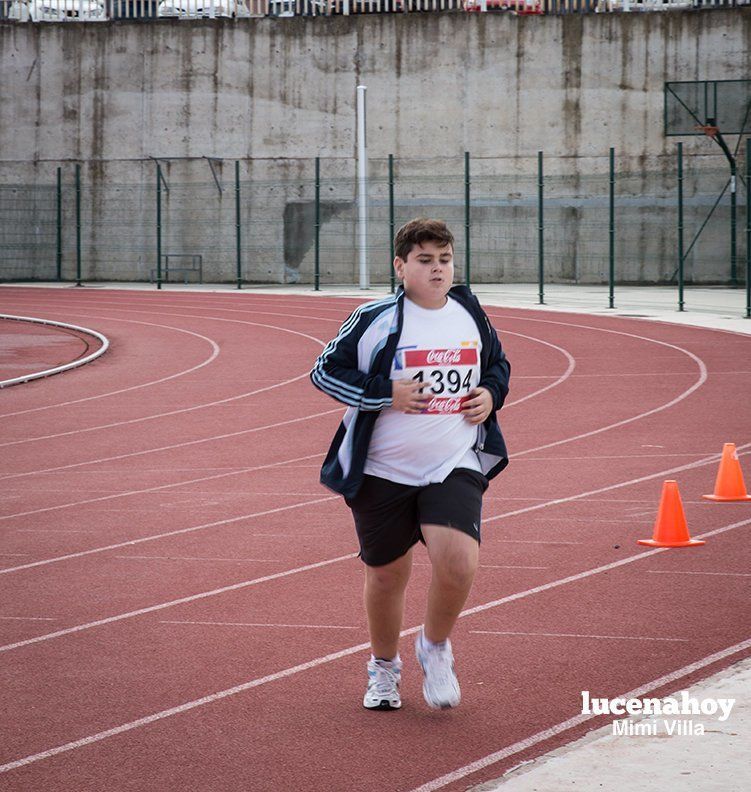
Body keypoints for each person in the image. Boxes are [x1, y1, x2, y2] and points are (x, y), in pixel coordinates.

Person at [310, 218, 510, 711]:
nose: (437, 269)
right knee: (386, 576)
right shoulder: (374, 318)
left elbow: (498, 367)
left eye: (444, 259)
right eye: (425, 260)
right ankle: (383, 667)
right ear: (401, 267)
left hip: (452, 460)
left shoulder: (470, 313)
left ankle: (435, 647)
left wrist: (490, 394)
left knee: (459, 563)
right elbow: (324, 372)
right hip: (382, 469)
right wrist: (386, 393)